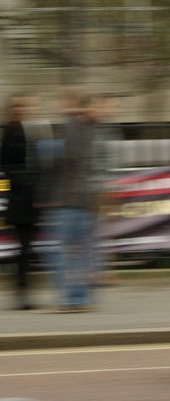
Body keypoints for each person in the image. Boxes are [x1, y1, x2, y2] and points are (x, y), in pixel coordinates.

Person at [48, 91, 103, 312]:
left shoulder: (73, 128)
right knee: (81, 252)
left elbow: (61, 160)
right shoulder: (91, 131)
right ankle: (80, 297)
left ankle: (70, 299)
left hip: (70, 199)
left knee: (63, 251)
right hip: (86, 199)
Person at [0, 94, 41, 310]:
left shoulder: (29, 133)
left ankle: (22, 290)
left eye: (22, 106)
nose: (19, 110)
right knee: (23, 248)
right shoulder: (7, 135)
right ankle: (21, 292)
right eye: (16, 107)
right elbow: (4, 173)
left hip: (30, 200)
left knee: (26, 249)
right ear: (10, 110)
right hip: (17, 200)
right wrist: (7, 195)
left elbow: (36, 165)